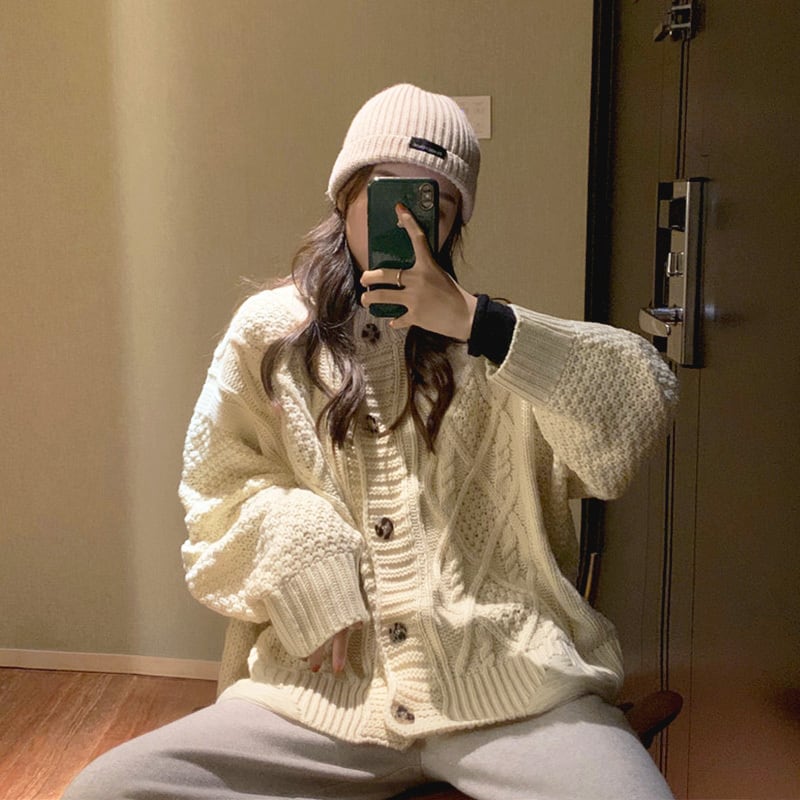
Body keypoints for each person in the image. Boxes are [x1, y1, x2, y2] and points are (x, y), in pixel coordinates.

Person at [63, 84, 678, 800]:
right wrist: (303, 543)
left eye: (432, 203)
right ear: (346, 195)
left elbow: (640, 398)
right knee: (106, 791)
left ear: (455, 221)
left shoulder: (494, 342)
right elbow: (217, 491)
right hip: (320, 695)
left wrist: (480, 321)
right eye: (387, 193)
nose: (406, 222)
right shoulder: (270, 333)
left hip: (512, 683)